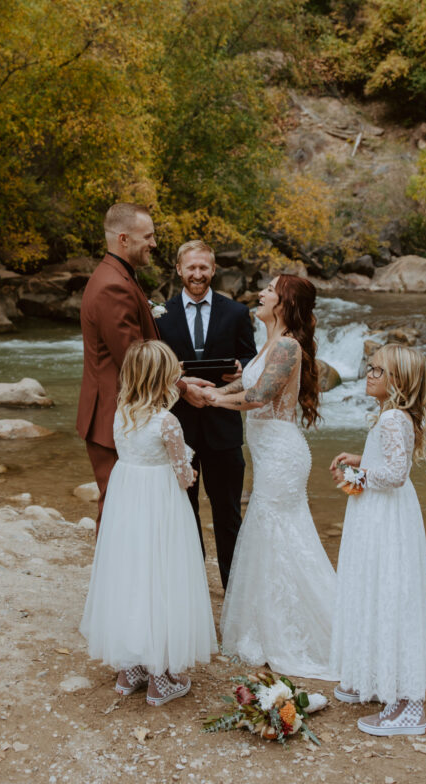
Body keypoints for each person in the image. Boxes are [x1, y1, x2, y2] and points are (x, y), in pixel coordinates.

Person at [203, 274, 336, 677]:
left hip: (281, 453)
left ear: (283, 302)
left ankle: (292, 631)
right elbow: (250, 385)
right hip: (269, 452)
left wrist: (213, 400)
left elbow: (259, 396)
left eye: (269, 289)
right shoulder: (271, 343)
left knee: (277, 533)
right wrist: (214, 392)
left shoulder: (287, 345)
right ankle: (270, 624)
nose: (260, 293)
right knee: (269, 534)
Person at [79, 340, 217, 706]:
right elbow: (185, 477)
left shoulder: (121, 411)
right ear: (163, 379)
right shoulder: (167, 421)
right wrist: (187, 460)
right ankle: (160, 678)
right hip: (161, 509)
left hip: (127, 509)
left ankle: (131, 670)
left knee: (132, 577)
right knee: (161, 578)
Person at [76, 203, 208, 527]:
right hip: (112, 415)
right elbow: (134, 358)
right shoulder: (113, 285)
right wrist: (184, 387)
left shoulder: (120, 275)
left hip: (123, 414)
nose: (154, 243)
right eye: (147, 236)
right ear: (123, 238)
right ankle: (113, 578)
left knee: (128, 507)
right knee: (118, 508)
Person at [328, 344, 426, 736]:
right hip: (383, 512)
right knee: (375, 589)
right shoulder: (392, 416)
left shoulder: (392, 418)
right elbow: (388, 463)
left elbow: (395, 475)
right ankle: (376, 678)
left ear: (398, 382)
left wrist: (356, 478)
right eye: (369, 368)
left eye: (378, 370)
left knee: (390, 592)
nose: (369, 374)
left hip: (385, 515)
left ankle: (408, 706)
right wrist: (360, 460)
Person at [157, 240, 256, 589]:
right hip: (178, 430)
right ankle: (193, 593)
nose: (197, 274)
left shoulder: (236, 313)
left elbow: (251, 359)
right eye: (191, 268)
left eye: (203, 267)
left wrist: (239, 369)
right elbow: (152, 369)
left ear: (213, 270)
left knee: (228, 513)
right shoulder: (160, 316)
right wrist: (175, 376)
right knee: (184, 514)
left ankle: (235, 592)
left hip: (224, 428)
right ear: (179, 270)